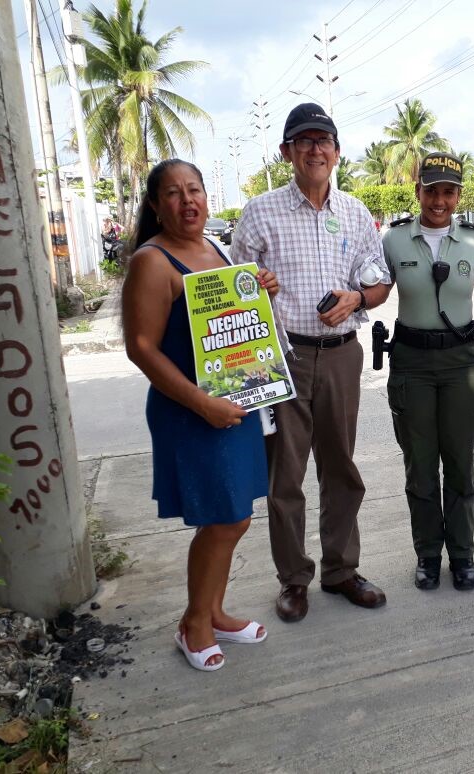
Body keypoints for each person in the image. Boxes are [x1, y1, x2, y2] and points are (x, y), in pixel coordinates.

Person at [230, 103, 392, 623]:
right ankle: (293, 579)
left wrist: (359, 298)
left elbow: (379, 281)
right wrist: (255, 284)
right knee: (286, 474)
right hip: (284, 358)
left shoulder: (355, 212)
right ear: (287, 152)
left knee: (341, 467)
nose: (315, 149)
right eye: (304, 141)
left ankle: (342, 570)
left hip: (342, 355)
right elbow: (232, 289)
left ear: (337, 152)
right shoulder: (260, 212)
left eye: (324, 141)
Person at [122, 159, 278, 672]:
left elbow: (232, 319)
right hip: (191, 410)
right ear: (155, 205)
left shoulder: (216, 249)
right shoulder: (152, 261)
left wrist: (260, 292)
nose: (187, 201)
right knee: (224, 517)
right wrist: (200, 402)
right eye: (173, 193)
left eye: (195, 190)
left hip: (234, 401)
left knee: (235, 515)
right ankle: (194, 623)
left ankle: (213, 611)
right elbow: (142, 348)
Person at [382, 152, 474, 591]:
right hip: (411, 363)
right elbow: (374, 290)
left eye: (448, 192)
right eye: (431, 190)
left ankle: (463, 555)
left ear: (458, 196)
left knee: (461, 464)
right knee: (421, 466)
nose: (439, 200)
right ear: (418, 191)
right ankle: (428, 555)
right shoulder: (394, 240)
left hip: (460, 364)